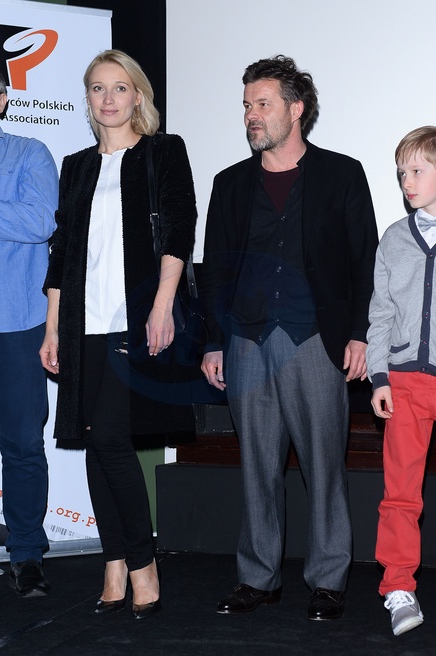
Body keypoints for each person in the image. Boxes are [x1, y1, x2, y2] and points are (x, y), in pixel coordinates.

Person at [200, 55, 378, 620]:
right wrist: (213, 341)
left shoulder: (342, 174)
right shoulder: (229, 183)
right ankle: (258, 578)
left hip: (314, 340)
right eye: (246, 105)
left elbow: (364, 262)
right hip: (247, 342)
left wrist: (360, 335)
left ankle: (328, 581)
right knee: (257, 466)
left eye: (263, 104)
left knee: (324, 466)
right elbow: (215, 270)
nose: (251, 115)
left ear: (296, 109)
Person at [39, 49, 197, 620]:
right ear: (87, 98)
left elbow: (178, 229)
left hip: (135, 318)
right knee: (92, 440)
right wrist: (53, 328)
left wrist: (163, 306)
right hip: (83, 325)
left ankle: (142, 563)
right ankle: (114, 562)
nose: (108, 98)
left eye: (120, 87)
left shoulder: (161, 152)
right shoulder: (77, 166)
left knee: (108, 437)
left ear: (138, 97)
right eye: (98, 88)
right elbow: (61, 253)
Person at [0, 60, 58, 595]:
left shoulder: (31, 154)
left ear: (3, 97)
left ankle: (27, 552)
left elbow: (39, 223)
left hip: (17, 323)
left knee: (22, 445)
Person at [366, 126, 436, 636]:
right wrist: (379, 376)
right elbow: (381, 314)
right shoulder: (393, 238)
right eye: (401, 174)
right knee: (401, 492)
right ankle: (398, 588)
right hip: (406, 381)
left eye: (416, 171)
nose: (406, 182)